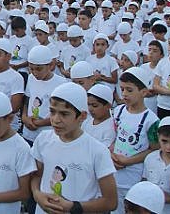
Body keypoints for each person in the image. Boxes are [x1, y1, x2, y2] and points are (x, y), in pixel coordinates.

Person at [30, 82, 118, 214]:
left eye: (64, 114)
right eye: (52, 112)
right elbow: (36, 175)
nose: (55, 120)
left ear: (82, 116)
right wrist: (37, 195)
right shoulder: (43, 139)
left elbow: (110, 202)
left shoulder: (97, 151)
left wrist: (73, 207)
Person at [111, 67, 160, 214]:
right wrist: (112, 155)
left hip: (133, 176)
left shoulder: (151, 120)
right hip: (114, 172)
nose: (124, 94)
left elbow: (154, 149)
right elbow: (113, 137)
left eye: (129, 90)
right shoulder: (118, 111)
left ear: (144, 92)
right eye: (122, 89)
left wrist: (128, 161)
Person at [142, 116, 170, 214]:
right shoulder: (150, 158)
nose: (168, 147)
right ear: (158, 137)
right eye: (164, 141)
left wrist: (168, 198)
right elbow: (144, 182)